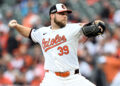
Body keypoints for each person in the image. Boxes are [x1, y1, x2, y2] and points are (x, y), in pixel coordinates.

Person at [8, 3, 105, 86]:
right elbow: (30, 32)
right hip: (52, 79)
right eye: (61, 13)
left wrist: (99, 23)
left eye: (66, 14)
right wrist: (17, 26)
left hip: (73, 78)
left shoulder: (73, 28)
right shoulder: (42, 32)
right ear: (52, 15)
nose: (65, 16)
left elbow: (91, 24)